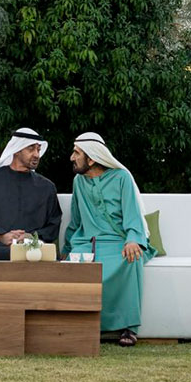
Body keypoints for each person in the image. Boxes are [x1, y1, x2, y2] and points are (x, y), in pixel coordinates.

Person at [60, 131, 151, 347]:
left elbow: (132, 214)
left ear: (91, 158)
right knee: (73, 263)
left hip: (119, 241)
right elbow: (76, 219)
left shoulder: (122, 178)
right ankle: (80, 324)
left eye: (76, 153)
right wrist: (65, 248)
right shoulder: (78, 182)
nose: (72, 157)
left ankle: (128, 327)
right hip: (87, 242)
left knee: (131, 258)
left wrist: (133, 239)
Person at [0, 127, 61, 259]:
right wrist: (0, 236)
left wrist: (30, 237)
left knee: (40, 253)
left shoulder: (47, 187)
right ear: (16, 150)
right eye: (31, 149)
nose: (36, 154)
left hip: (33, 244)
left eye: (38, 150)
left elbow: (53, 224)